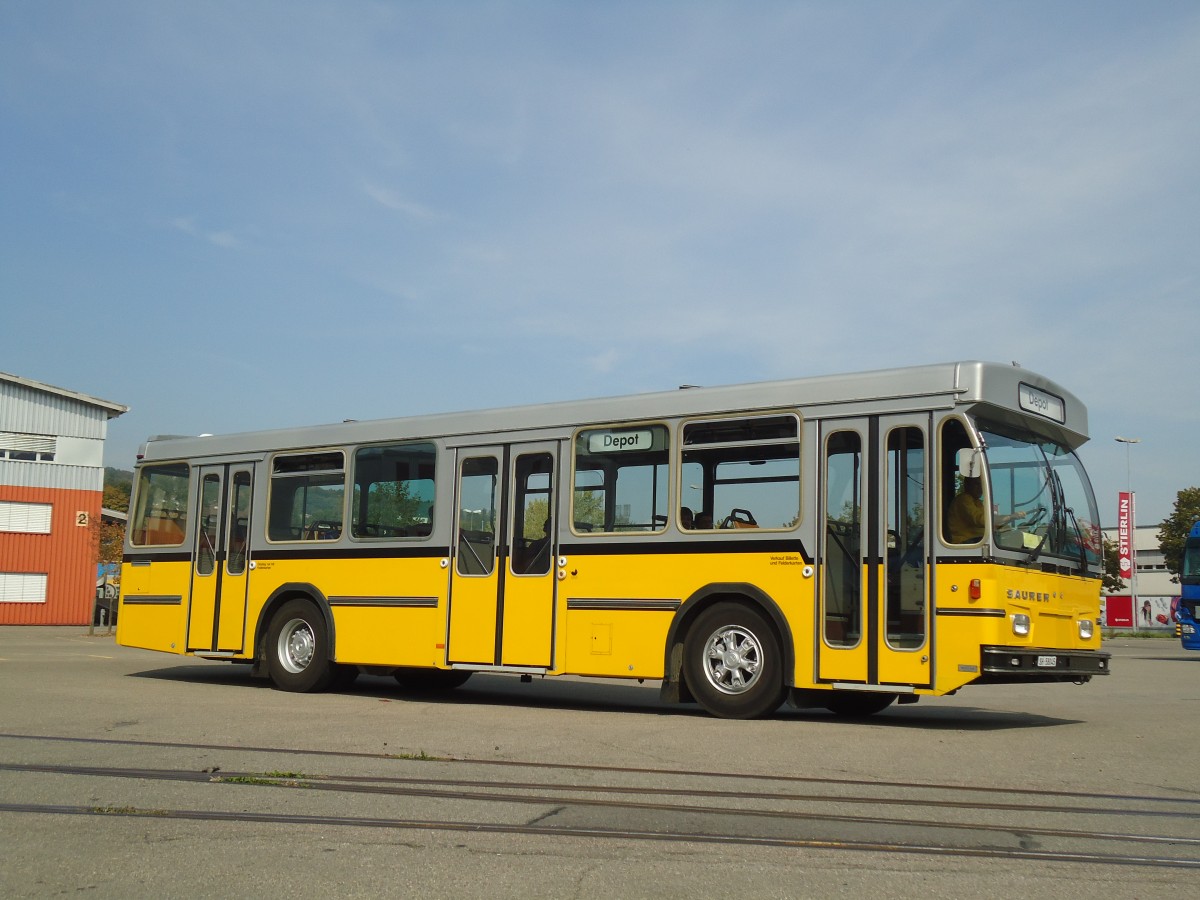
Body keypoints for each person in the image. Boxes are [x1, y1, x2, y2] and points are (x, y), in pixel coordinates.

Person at [946, 476, 1025, 544]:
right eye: (976, 484)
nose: (980, 488)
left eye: (982, 485)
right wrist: (1010, 517)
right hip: (965, 543)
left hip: (977, 540)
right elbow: (981, 520)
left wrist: (1005, 526)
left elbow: (991, 521)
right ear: (967, 485)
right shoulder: (964, 499)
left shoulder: (977, 502)